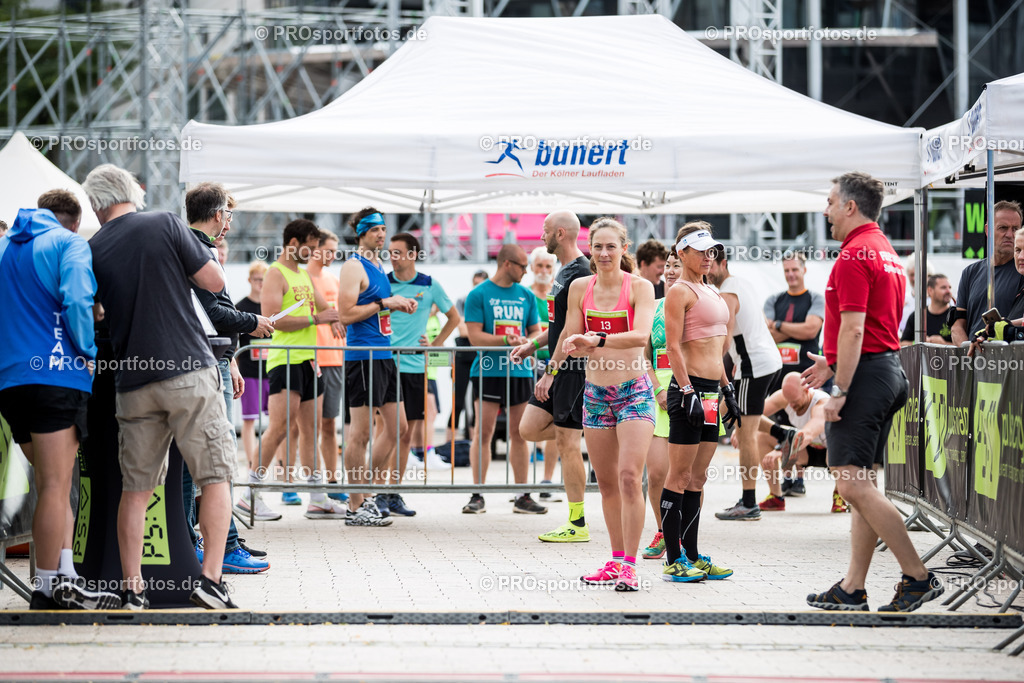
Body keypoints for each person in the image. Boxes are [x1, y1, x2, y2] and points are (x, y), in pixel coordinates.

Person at [86, 163, 238, 609]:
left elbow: (94, 313)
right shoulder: (165, 223)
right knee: (215, 476)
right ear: (133, 192)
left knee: (136, 491)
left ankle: (132, 589)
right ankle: (211, 581)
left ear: (96, 205)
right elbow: (214, 281)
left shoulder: (92, 248)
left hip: (132, 382)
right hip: (188, 369)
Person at [803, 171, 943, 613]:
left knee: (850, 483)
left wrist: (840, 388)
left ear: (850, 206)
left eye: (830, 202)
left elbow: (855, 328)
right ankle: (853, 588)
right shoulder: (883, 249)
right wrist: (831, 361)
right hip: (885, 370)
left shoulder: (853, 255)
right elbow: (874, 326)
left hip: (866, 377)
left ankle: (917, 576)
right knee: (861, 483)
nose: (825, 211)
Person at [0, 194, 120, 611]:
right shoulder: (69, 243)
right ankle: (47, 588)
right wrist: (87, 352)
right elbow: (77, 301)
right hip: (56, 374)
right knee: (55, 485)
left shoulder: (4, 246)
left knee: (57, 482)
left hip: (11, 379)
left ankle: (66, 575)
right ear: (72, 222)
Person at [558, 218, 656, 591]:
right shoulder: (579, 287)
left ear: (623, 249)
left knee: (630, 477)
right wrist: (553, 362)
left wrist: (595, 340)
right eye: (597, 246)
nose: (603, 253)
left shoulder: (641, 287)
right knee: (607, 484)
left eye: (611, 246)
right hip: (596, 394)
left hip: (634, 392)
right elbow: (569, 334)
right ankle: (615, 561)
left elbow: (640, 336)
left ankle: (630, 565)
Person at [184, 182, 272, 574]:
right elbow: (214, 313)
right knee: (215, 462)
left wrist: (231, 359)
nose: (230, 225)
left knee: (207, 463)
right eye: (229, 215)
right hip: (204, 364)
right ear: (219, 214)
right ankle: (217, 546)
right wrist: (253, 321)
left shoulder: (192, 247)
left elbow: (211, 315)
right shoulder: (197, 250)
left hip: (212, 361)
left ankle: (214, 541)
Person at [659, 222, 740, 584]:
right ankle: (673, 559)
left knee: (698, 478)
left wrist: (727, 389)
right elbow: (673, 347)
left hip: (711, 393)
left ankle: (692, 555)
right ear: (682, 253)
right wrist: (687, 390)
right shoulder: (680, 291)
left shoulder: (712, 291)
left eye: (712, 251)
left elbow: (715, 350)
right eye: (701, 251)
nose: (709, 256)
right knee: (678, 476)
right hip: (689, 393)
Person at [254, 219, 347, 521]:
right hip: (286, 360)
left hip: (309, 361)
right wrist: (317, 320)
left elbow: (325, 308)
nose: (313, 253)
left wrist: (335, 317)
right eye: (310, 247)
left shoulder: (304, 275)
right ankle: (249, 494)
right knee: (279, 428)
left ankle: (318, 498)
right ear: (293, 243)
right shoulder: (275, 273)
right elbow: (271, 319)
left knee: (311, 430)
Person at [511, 212, 590, 539]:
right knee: (528, 428)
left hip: (572, 369)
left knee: (567, 443)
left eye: (545, 231)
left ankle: (577, 523)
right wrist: (533, 344)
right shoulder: (564, 270)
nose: (541, 237)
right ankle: (594, 429)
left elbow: (572, 330)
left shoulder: (582, 271)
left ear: (560, 233)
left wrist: (550, 373)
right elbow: (558, 327)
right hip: (558, 365)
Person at [337, 208, 416, 526]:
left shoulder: (379, 265)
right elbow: (345, 314)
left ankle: (365, 491)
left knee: (399, 428)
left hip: (383, 355)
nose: (381, 234)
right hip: (363, 357)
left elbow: (374, 310)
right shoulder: (353, 266)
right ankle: (356, 505)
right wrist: (385, 303)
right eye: (374, 230)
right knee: (360, 433)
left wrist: (397, 306)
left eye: (383, 228)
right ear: (361, 233)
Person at [462, 244, 544, 515]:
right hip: (488, 371)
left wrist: (527, 342)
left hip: (519, 372)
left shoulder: (526, 295)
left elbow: (536, 331)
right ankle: (477, 494)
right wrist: (506, 340)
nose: (526, 271)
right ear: (507, 264)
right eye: (522, 266)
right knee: (483, 433)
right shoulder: (479, 294)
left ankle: (522, 495)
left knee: (519, 434)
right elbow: (474, 337)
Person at [386, 231, 460, 516]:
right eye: (390, 252)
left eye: (398, 252)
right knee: (386, 432)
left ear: (413, 254)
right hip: (386, 366)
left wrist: (437, 344)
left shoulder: (429, 284)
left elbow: (454, 317)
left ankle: (393, 493)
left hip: (416, 367)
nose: (393, 257)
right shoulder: (384, 283)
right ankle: (375, 493)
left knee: (406, 435)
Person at [709, 246, 782, 521]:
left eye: (712, 264)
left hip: (754, 366)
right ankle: (783, 434)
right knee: (730, 411)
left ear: (723, 263)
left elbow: (725, 336)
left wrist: (711, 364)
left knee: (745, 432)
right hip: (760, 361)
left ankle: (749, 502)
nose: (707, 269)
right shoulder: (742, 283)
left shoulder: (728, 291)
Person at [763, 252, 825, 497]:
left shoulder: (814, 298)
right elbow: (765, 334)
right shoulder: (774, 299)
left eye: (795, 270)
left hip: (808, 374)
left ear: (804, 270)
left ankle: (799, 478)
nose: (791, 274)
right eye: (787, 270)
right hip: (778, 375)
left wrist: (779, 326)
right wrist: (795, 330)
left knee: (804, 421)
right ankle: (787, 479)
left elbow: (811, 329)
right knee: (781, 424)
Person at [755, 373, 848, 514]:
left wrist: (780, 449)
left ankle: (840, 494)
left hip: (832, 450)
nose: (791, 405)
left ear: (806, 391)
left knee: (837, 446)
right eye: (788, 401)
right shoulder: (785, 397)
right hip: (806, 450)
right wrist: (741, 430)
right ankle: (776, 497)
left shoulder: (821, 404)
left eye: (795, 401)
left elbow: (808, 434)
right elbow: (754, 414)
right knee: (762, 436)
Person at [641, 250, 682, 560]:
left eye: (676, 265)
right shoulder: (653, 306)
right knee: (656, 473)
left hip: (690, 393)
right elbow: (643, 356)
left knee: (689, 477)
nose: (669, 271)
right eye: (667, 265)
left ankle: (685, 536)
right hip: (658, 396)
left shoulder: (700, 305)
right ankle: (663, 531)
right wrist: (657, 389)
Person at [233, 260, 282, 522]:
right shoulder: (242, 306)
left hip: (271, 369)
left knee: (276, 421)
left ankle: (276, 466)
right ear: (250, 280)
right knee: (250, 419)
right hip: (250, 371)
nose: (260, 284)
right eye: (256, 279)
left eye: (263, 279)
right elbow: (235, 339)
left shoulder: (271, 305)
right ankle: (253, 462)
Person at [305, 230, 347, 506]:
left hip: (335, 358)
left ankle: (332, 481)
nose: (333, 255)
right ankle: (303, 485)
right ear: (315, 248)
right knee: (307, 427)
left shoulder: (333, 279)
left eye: (335, 250)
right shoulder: (302, 278)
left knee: (330, 424)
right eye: (328, 250)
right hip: (310, 358)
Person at [951, 200, 1024, 345]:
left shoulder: (1021, 271)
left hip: (1009, 356)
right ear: (988, 230)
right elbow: (957, 325)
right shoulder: (970, 272)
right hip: (974, 354)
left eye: (1015, 229)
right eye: (1003, 228)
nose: (1010, 234)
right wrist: (969, 354)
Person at [526, 246, 561, 501]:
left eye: (548, 266)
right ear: (531, 267)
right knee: (527, 425)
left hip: (556, 365)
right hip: (530, 365)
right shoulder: (526, 296)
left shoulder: (558, 295)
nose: (544, 270)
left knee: (556, 420)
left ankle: (547, 480)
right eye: (539, 265)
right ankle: (521, 484)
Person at [449, 269, 489, 442]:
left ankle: (475, 445)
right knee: (458, 402)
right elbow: (464, 331)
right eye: (475, 284)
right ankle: (449, 446)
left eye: (481, 284)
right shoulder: (463, 300)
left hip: (481, 357)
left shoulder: (489, 302)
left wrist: (478, 331)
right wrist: (481, 331)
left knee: (478, 403)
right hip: (463, 356)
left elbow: (475, 331)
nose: (477, 288)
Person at [900, 274, 954, 346]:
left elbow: (964, 345)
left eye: (950, 287)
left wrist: (944, 344)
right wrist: (919, 342)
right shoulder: (917, 316)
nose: (948, 291)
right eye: (943, 288)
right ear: (930, 290)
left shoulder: (956, 316)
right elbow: (902, 344)